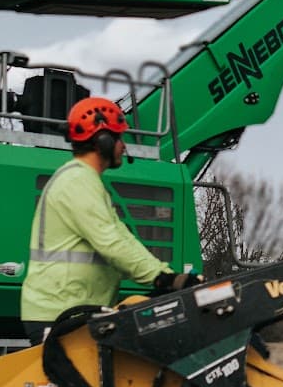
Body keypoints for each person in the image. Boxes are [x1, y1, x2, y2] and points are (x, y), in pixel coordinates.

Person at [19, 96, 193, 344]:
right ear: (103, 141)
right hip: (60, 313)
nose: (124, 146)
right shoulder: (77, 182)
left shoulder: (87, 182)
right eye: (119, 138)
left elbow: (123, 238)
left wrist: (165, 275)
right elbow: (111, 242)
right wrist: (163, 278)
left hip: (72, 310)